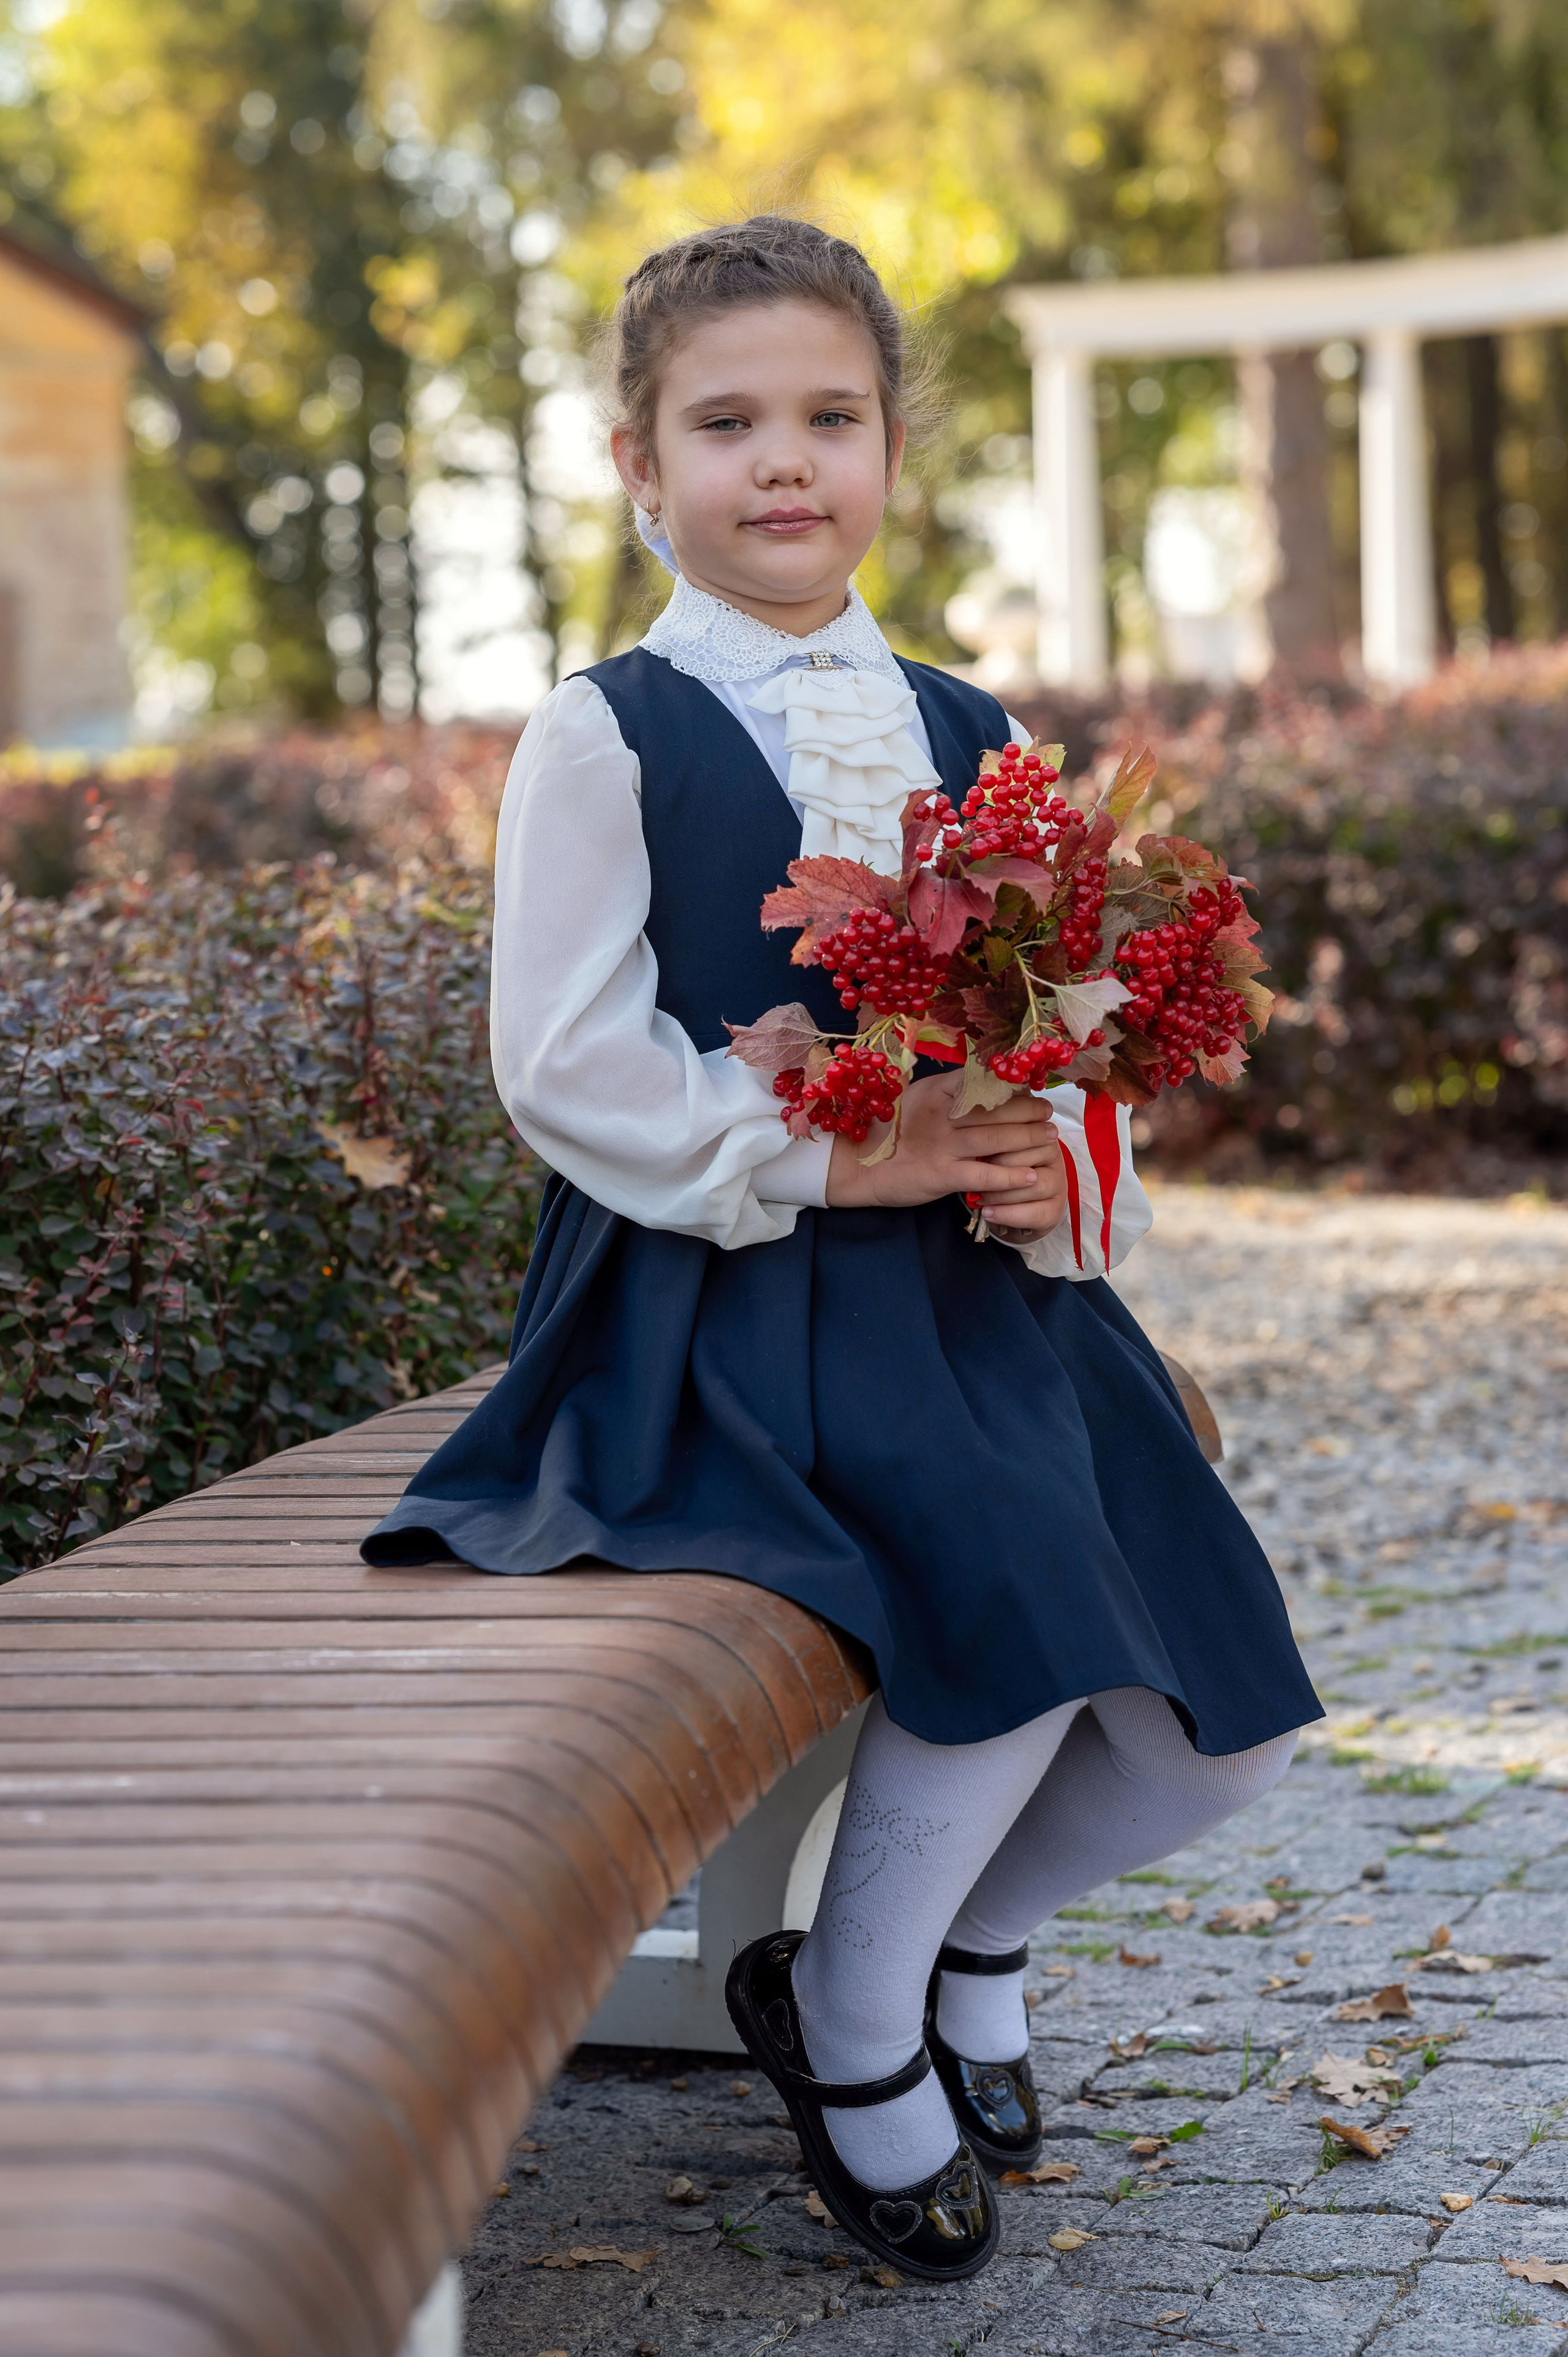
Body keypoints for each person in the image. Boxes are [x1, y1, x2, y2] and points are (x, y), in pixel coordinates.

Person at [363, 214, 1321, 2283]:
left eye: (829, 417)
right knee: (1001, 1582)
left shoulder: (975, 729)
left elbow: (1064, 1040)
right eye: (726, 424)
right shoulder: (605, 733)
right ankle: (859, 2026)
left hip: (980, 1290)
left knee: (1221, 1738)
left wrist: (1049, 1169)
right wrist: (825, 1162)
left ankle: (959, 1934)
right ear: (638, 462)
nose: (781, 464)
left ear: (893, 447)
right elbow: (569, 1064)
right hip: (725, 1291)